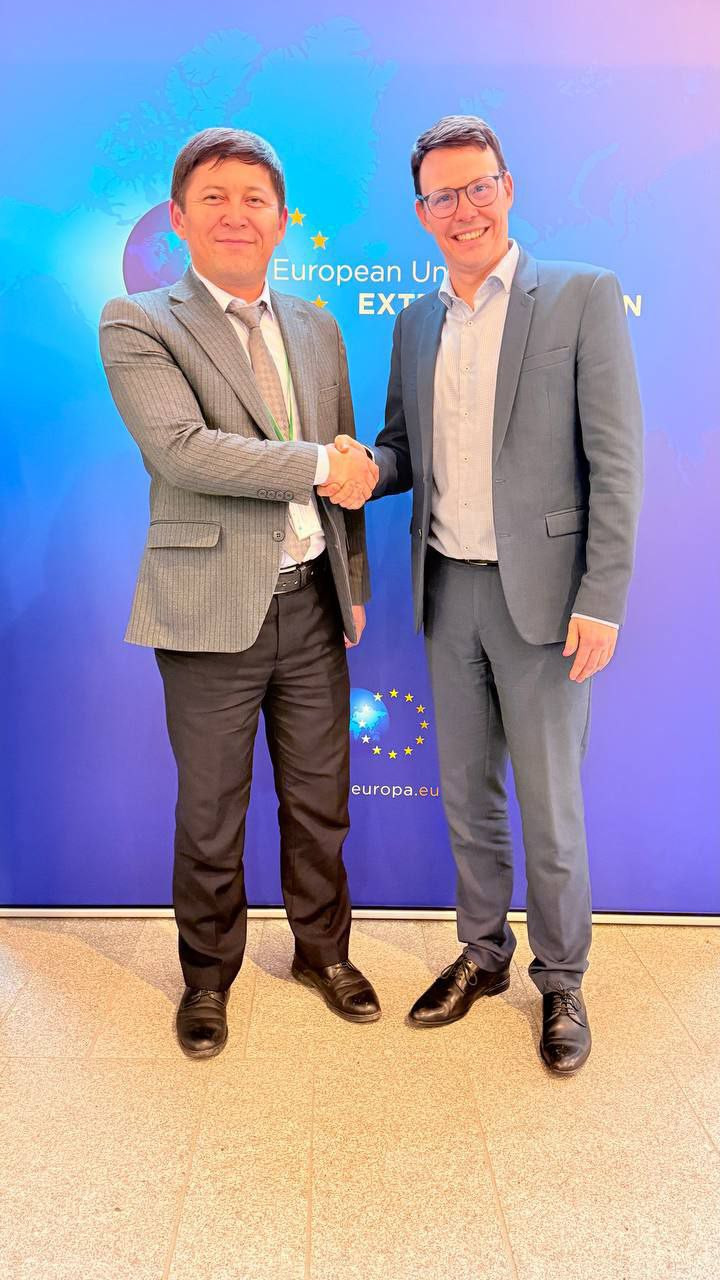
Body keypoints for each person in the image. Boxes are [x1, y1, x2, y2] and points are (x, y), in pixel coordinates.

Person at [321, 115, 643, 1073]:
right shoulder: (416, 322)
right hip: (448, 589)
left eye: (478, 187)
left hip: (545, 601)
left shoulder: (581, 296)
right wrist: (361, 469)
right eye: (442, 196)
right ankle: (483, 954)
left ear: (508, 188)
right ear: (421, 212)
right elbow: (402, 451)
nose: (463, 209)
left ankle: (564, 981)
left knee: (551, 808)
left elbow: (616, 463)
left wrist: (603, 594)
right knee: (467, 797)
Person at [99, 127, 381, 1058]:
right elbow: (184, 451)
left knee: (321, 800)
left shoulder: (315, 326)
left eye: (255, 198)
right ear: (179, 219)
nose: (236, 214)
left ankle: (322, 953)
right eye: (214, 197)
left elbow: (348, 467)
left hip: (312, 602)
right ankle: (207, 977)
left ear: (281, 219)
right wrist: (319, 464)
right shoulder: (140, 320)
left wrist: (352, 582)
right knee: (212, 812)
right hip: (208, 607)